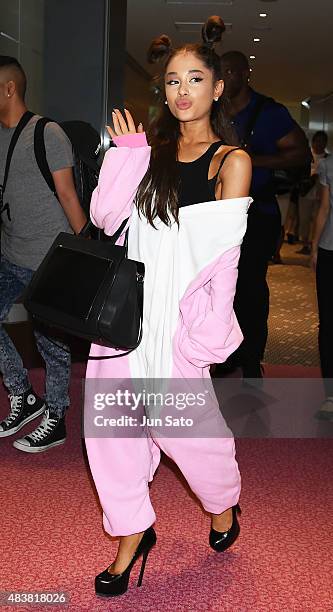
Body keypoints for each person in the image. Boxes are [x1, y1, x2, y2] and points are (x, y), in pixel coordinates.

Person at [84, 16, 252, 598]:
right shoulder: (147, 153)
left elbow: (223, 260)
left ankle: (223, 503)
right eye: (173, 80)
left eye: (196, 78)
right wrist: (126, 153)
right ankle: (132, 534)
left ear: (217, 87)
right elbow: (106, 220)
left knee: (193, 435)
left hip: (179, 324)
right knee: (109, 435)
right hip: (125, 318)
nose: (182, 90)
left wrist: (203, 334)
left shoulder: (230, 161)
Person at [0, 56, 86, 452]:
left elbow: (67, 195)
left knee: (50, 341)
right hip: (11, 252)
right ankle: (23, 395)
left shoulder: (46, 133)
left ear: (9, 88)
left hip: (51, 255)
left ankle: (57, 415)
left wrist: (87, 253)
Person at [219, 51, 311, 379]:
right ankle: (226, 353)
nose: (225, 77)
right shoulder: (214, 111)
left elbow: (300, 153)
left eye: (231, 71)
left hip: (258, 212)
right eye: (221, 72)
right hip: (219, 212)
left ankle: (251, 357)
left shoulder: (269, 112)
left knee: (250, 285)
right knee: (221, 285)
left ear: (245, 74)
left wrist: (250, 161)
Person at [311, 153, 333, 420]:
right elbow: (325, 207)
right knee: (328, 323)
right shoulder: (329, 163)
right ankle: (330, 395)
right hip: (329, 249)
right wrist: (314, 246)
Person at [297, 131, 328, 255]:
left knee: (317, 220)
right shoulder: (306, 155)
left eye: (322, 141)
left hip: (321, 195)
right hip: (305, 193)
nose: (319, 144)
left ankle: (313, 244)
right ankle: (305, 243)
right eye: (317, 140)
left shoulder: (327, 159)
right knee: (304, 219)